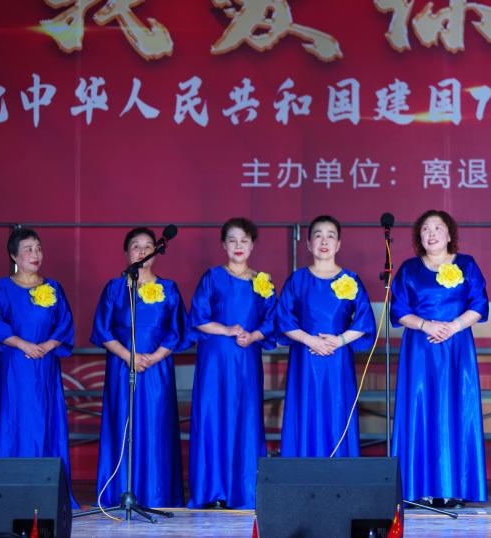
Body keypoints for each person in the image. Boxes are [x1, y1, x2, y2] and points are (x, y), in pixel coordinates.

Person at [391, 210, 489, 509]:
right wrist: (426, 325)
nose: (431, 233)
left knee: (455, 410)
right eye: (425, 229)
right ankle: (418, 488)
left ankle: (454, 488)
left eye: (437, 228)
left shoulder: (467, 264)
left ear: (449, 235)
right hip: (421, 350)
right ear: (419, 237)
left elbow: (479, 304)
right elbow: (399, 310)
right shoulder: (409, 269)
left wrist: (453, 327)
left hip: (456, 348)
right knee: (420, 410)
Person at [91, 227, 185, 508]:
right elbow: (102, 330)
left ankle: (156, 494)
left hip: (157, 370)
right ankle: (119, 492)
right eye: (135, 246)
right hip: (122, 367)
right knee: (122, 424)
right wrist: (128, 355)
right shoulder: (114, 288)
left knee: (156, 428)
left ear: (156, 252)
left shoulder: (169, 289)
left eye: (148, 246)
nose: (142, 251)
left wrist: (153, 358)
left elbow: (177, 332)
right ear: (126, 253)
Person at [188, 218, 276, 509]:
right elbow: (198, 317)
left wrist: (254, 336)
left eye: (244, 240)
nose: (239, 246)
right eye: (233, 240)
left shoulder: (262, 282)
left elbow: (272, 322)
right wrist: (226, 329)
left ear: (252, 245)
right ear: (223, 245)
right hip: (215, 360)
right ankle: (212, 490)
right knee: (213, 416)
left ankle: (244, 490)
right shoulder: (212, 277)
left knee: (245, 417)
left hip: (246, 359)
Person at [0, 227, 77, 507]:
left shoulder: (53, 287)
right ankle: (8, 492)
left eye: (38, 248)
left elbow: (65, 323)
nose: (35, 254)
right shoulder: (2, 287)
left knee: (44, 420)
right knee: (13, 420)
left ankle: (45, 491)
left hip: (44, 365)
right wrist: (23, 345)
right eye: (28, 249)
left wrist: (46, 346)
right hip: (15, 365)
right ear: (14, 255)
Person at [275, 215, 376, 458]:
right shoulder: (297, 280)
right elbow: (283, 319)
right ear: (308, 243)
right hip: (305, 357)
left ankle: (340, 471)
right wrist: (310, 340)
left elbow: (364, 321)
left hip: (337, 359)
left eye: (330, 236)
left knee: (337, 409)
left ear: (338, 244)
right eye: (318, 235)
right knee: (305, 409)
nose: (324, 241)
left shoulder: (350, 280)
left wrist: (339, 340)